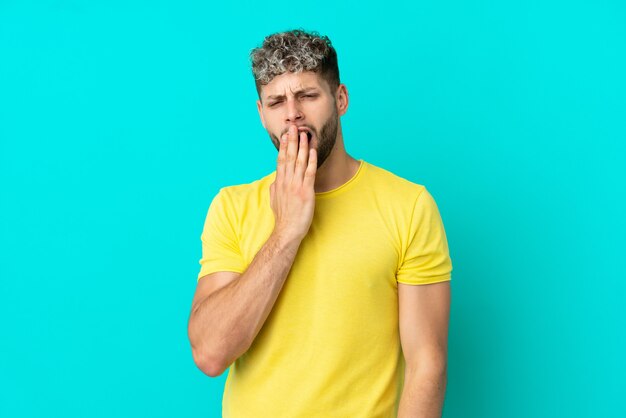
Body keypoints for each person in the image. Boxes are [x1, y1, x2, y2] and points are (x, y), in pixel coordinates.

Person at [187, 29, 453, 418]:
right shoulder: (231, 207)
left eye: (307, 95)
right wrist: (286, 231)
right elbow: (210, 353)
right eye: (276, 101)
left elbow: (427, 363)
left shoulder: (409, 206)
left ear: (340, 99)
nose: (292, 113)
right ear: (262, 114)